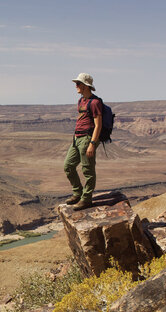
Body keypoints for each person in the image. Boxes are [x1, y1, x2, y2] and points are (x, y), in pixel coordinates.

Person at [63, 72, 102, 210]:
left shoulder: (95, 102)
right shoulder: (81, 101)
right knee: (68, 166)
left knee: (88, 171)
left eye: (78, 84)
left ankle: (86, 199)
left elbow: (98, 125)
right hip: (77, 138)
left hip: (87, 139)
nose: (76, 86)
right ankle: (77, 193)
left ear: (86, 86)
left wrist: (92, 143)